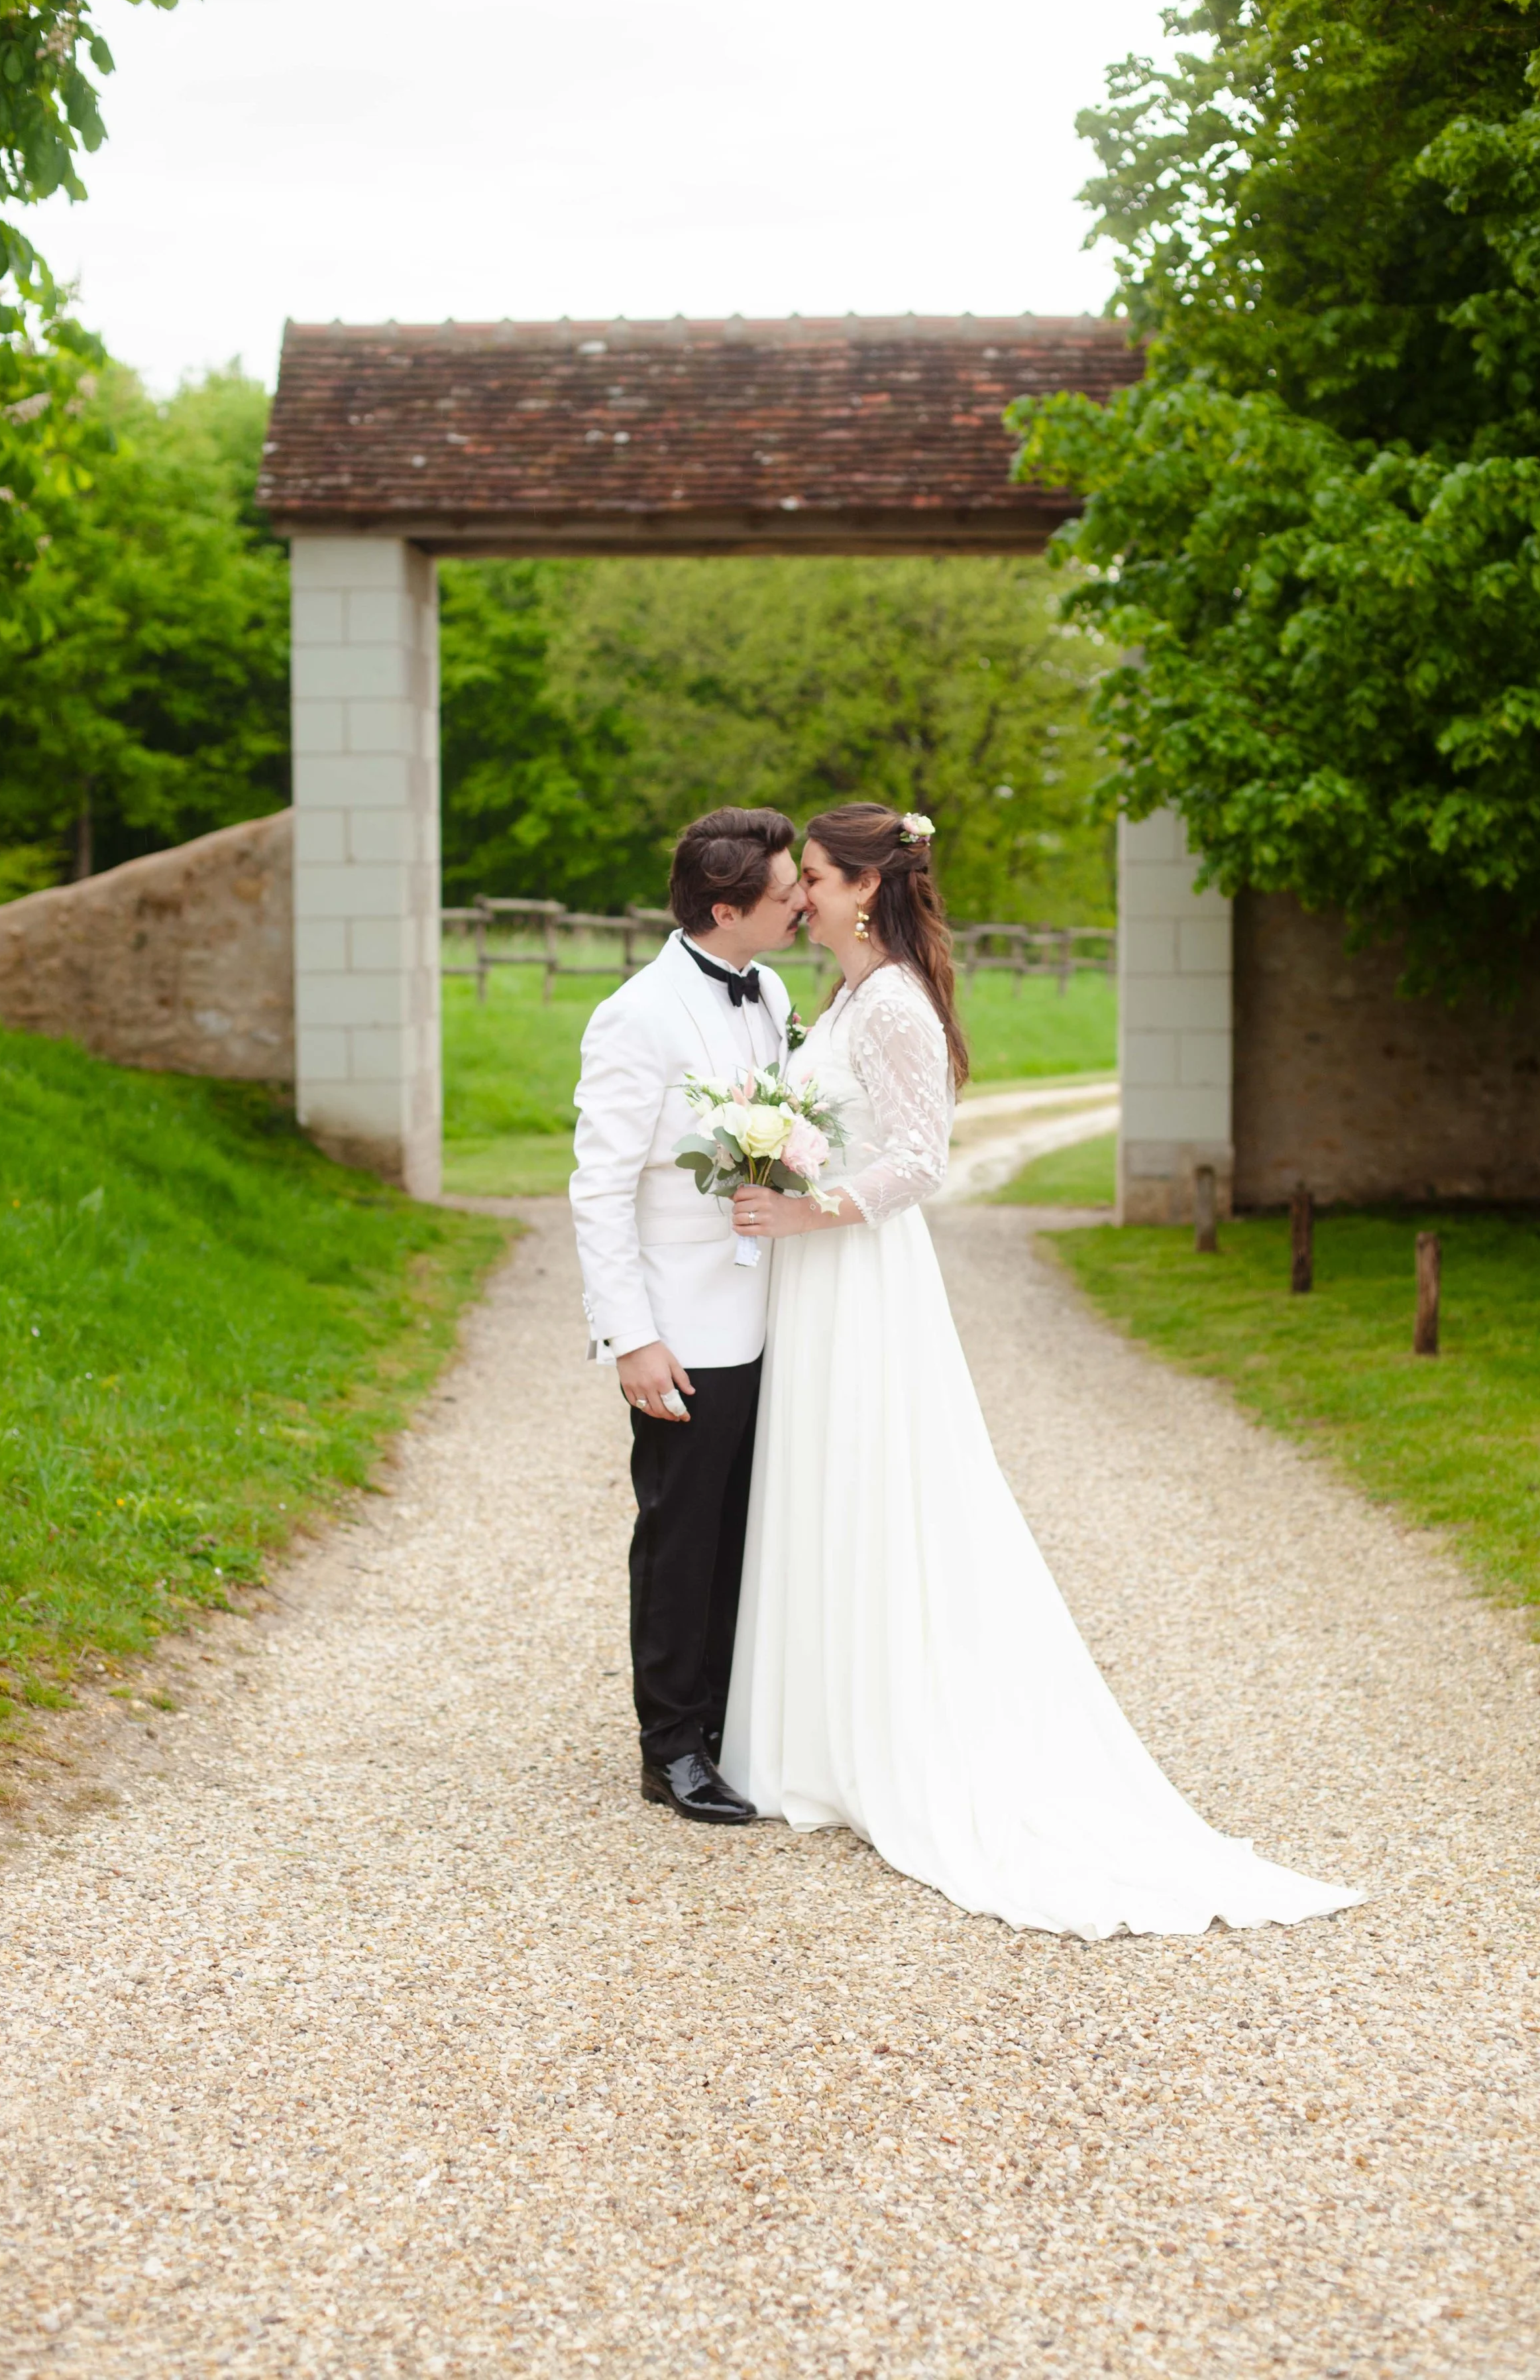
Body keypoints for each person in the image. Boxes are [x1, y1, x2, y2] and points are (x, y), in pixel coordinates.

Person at [722, 803, 1363, 1939]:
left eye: (815, 875)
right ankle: (811, 1732)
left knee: (875, 1485)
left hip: (862, 1275)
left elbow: (921, 1160)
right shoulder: (849, 995)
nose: (800, 892)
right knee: (823, 1484)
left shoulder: (898, 1008)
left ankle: (886, 1736)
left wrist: (807, 1206)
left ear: (865, 888)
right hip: (820, 1276)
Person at [571, 807, 804, 1825]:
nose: (802, 899)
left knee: (745, 1534)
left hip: (772, 1311)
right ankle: (670, 1748)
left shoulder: (775, 989)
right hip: (681, 1330)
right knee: (681, 1536)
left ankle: (721, 1722)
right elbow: (599, 1186)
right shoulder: (636, 1014)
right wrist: (632, 1336)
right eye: (786, 889)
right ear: (726, 907)